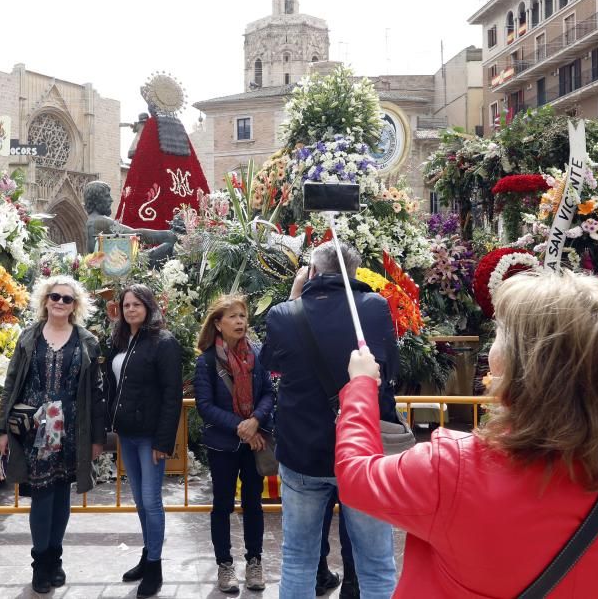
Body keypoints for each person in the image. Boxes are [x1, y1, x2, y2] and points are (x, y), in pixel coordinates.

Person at [336, 270, 598, 597]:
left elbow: (356, 475)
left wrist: (361, 386)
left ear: (516, 365)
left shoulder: (452, 470)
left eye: (499, 332)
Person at [261, 241, 399, 599]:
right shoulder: (375, 308)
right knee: (376, 564)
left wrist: (294, 296)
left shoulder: (284, 315)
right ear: (355, 273)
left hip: (303, 452)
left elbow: (269, 364)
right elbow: (394, 372)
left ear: (312, 273)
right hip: (363, 454)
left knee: (298, 560)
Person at [0, 275, 106, 594]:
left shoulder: (87, 341)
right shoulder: (29, 336)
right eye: (54, 297)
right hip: (36, 431)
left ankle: (55, 559)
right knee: (42, 494)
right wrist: (2, 427)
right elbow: (11, 381)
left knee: (61, 493)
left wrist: (97, 437)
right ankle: (40, 563)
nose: (59, 302)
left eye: (67, 299)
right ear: (45, 301)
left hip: (72, 428)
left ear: (75, 305)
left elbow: (96, 393)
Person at [104, 284, 183, 599]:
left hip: (151, 437)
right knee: (140, 501)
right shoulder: (121, 340)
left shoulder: (163, 343)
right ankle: (146, 554)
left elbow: (172, 395)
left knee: (151, 502)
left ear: (149, 307)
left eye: (137, 304)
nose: (131, 309)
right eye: (126, 305)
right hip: (128, 434)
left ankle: (155, 566)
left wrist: (164, 441)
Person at [193, 294, 275, 594]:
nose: (240, 321)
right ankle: (224, 565)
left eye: (242, 315)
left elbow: (268, 392)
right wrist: (242, 427)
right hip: (223, 445)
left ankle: (255, 561)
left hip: (255, 443)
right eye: (233, 317)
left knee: (253, 504)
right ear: (218, 323)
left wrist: (255, 420)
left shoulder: (256, 354)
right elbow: (204, 406)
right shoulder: (206, 362)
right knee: (223, 505)